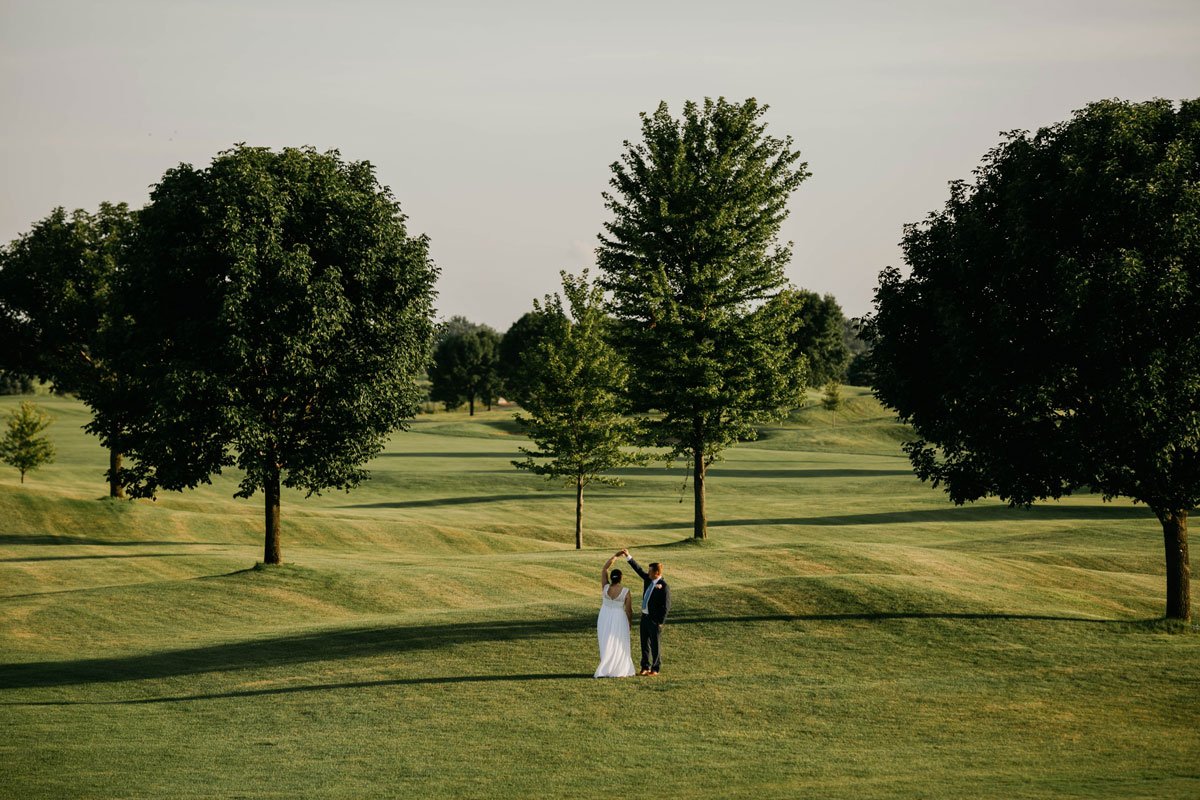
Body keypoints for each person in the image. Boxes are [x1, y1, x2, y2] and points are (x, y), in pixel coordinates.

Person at [620, 548, 670, 675]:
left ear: (657, 572)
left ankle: (655, 668)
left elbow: (666, 606)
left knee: (655, 645)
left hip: (654, 620)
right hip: (645, 617)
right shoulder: (648, 579)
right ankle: (645, 667)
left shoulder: (664, 586)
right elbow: (638, 570)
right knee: (644, 643)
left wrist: (660, 622)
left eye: (650, 571)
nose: (648, 572)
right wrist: (628, 556)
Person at [594, 551, 637, 678]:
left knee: (606, 641)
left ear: (611, 577)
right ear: (621, 578)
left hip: (604, 616)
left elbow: (604, 569)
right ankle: (618, 669)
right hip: (619, 618)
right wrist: (629, 623)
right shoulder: (625, 591)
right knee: (620, 642)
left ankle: (606, 668)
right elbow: (629, 610)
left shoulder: (605, 587)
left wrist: (616, 556)